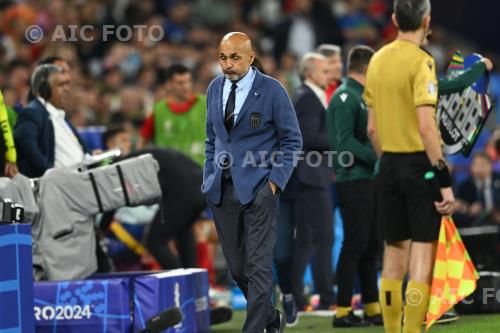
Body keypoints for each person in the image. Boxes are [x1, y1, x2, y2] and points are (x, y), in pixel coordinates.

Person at [364, 1, 455, 333]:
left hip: (386, 164)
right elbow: (427, 128)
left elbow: (372, 128)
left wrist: (386, 162)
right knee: (420, 257)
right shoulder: (423, 62)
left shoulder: (376, 59)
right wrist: (443, 182)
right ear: (427, 21)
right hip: (419, 167)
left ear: (393, 19)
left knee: (393, 255)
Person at [202, 32, 302, 333]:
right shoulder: (214, 88)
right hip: (222, 190)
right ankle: (272, 319)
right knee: (237, 269)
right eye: (223, 57)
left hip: (260, 188)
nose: (228, 64)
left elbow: (292, 140)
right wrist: (209, 176)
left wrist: (274, 183)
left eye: (234, 57)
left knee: (258, 266)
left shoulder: (272, 90)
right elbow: (212, 139)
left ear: (250, 57)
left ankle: (256, 328)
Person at [328, 45, 382, 327]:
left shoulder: (361, 96)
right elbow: (343, 142)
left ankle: (372, 308)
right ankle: (342, 311)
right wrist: (377, 155)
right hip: (353, 179)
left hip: (367, 177)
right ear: (367, 69)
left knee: (370, 245)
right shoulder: (345, 96)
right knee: (354, 245)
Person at [285, 52, 335, 314]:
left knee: (307, 239)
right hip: (311, 176)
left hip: (309, 175)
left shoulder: (307, 96)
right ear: (310, 73)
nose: (329, 75)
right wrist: (337, 139)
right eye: (324, 70)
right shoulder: (307, 98)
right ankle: (325, 297)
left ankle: (297, 296)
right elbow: (306, 137)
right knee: (321, 238)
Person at [14, 64, 88, 177]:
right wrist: (52, 176)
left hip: (81, 177)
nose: (67, 89)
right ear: (44, 89)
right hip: (60, 186)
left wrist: (90, 156)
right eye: (61, 85)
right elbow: (27, 147)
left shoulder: (59, 114)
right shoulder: (33, 112)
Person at [141, 64, 207, 166]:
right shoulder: (158, 111)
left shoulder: (206, 104)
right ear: (169, 85)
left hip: (200, 171)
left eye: (188, 82)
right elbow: (143, 142)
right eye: (180, 83)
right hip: (170, 173)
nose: (186, 87)